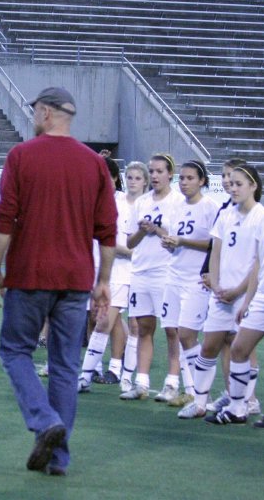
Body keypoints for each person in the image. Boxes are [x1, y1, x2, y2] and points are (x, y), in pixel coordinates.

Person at [0, 87, 117, 476]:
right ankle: (59, 458)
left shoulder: (22, 156)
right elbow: (108, 232)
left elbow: (4, 219)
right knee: (65, 365)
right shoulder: (94, 163)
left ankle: (44, 422)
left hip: (30, 274)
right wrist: (103, 281)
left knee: (15, 352)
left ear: (45, 112)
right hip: (76, 279)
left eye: (33, 112)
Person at [178, 164, 264, 420]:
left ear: (253, 186)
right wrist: (216, 286)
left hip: (246, 295)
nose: (233, 187)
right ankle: (201, 402)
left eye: (239, 183)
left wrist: (239, 291)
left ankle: (247, 401)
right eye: (231, 182)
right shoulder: (226, 215)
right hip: (221, 295)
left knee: (242, 349)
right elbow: (215, 253)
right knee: (208, 348)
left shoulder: (261, 217)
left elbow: (259, 263)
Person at [120, 153, 184, 401]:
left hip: (165, 271)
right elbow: (130, 241)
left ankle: (172, 383)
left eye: (159, 171)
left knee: (172, 330)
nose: (155, 176)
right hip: (140, 271)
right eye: (152, 171)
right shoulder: (143, 201)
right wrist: (141, 230)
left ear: (170, 174)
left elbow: (177, 240)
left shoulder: (178, 202)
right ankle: (142, 382)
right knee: (143, 328)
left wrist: (157, 230)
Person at [160, 160, 219, 407]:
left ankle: (200, 391)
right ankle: (191, 389)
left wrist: (182, 242)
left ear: (202, 181)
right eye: (181, 179)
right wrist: (169, 242)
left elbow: (215, 243)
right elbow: (173, 236)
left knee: (187, 334)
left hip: (196, 279)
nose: (184, 183)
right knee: (173, 332)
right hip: (173, 275)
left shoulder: (210, 207)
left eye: (190, 178)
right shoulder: (175, 207)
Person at [78, 156, 131, 391]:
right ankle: (98, 366)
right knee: (94, 317)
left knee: (107, 320)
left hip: (118, 269)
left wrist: (122, 250)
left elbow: (127, 240)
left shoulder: (125, 202)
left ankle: (115, 367)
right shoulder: (88, 200)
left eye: (106, 177)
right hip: (92, 266)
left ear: (115, 178)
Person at [215, 186, 264, 426]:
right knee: (238, 348)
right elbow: (258, 263)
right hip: (263, 297)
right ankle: (238, 408)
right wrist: (247, 301)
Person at [118, 162, 150, 391]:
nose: (132, 181)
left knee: (137, 324)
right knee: (105, 320)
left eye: (137, 178)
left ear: (145, 182)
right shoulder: (117, 202)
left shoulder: (150, 204)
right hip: (119, 266)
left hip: (142, 269)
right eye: (129, 177)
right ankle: (111, 365)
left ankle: (127, 375)